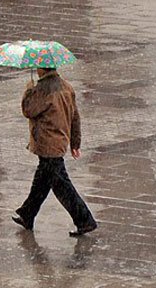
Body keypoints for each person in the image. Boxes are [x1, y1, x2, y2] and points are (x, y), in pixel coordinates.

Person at [12, 67, 98, 237]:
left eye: (38, 68)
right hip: (59, 141)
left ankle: (85, 220)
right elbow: (75, 116)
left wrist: (28, 90)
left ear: (42, 69)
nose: (36, 71)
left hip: (47, 143)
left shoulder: (43, 90)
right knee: (42, 181)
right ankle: (27, 214)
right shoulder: (66, 87)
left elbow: (28, 110)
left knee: (62, 186)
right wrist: (75, 142)